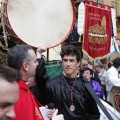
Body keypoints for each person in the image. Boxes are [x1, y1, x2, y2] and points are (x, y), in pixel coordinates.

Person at [7, 44, 64, 120]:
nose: (37, 64)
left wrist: (42, 111)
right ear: (26, 66)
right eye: (35, 61)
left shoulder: (22, 89)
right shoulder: (19, 96)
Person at [44, 45, 100, 120]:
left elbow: (94, 114)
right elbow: (46, 111)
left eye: (71, 60)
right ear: (62, 62)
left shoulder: (86, 85)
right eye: (65, 60)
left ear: (78, 63)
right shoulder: (51, 85)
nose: (68, 64)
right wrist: (48, 113)